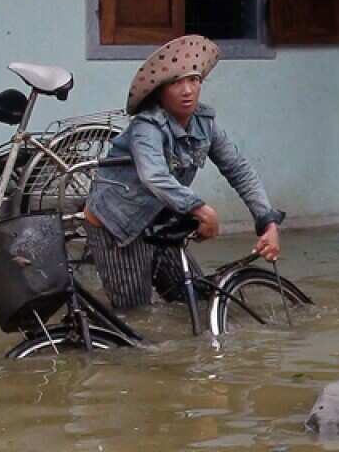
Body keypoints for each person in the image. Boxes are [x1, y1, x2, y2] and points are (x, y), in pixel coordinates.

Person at [83, 35, 285, 309]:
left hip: (160, 219)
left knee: (194, 298)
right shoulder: (147, 126)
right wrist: (202, 210)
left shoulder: (205, 123)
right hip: (120, 225)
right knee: (137, 313)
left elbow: (239, 170)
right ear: (159, 91)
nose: (187, 90)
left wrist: (267, 221)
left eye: (194, 80)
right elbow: (153, 176)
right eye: (176, 83)